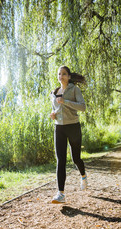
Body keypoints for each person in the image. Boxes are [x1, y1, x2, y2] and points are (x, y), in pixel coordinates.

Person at [49, 65, 87, 204]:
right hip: (59, 128)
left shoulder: (74, 89)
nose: (61, 76)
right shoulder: (54, 92)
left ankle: (83, 175)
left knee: (76, 158)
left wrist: (66, 101)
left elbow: (82, 107)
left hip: (73, 127)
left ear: (69, 76)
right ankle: (61, 193)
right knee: (61, 160)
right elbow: (55, 109)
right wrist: (53, 115)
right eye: (59, 74)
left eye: (64, 74)